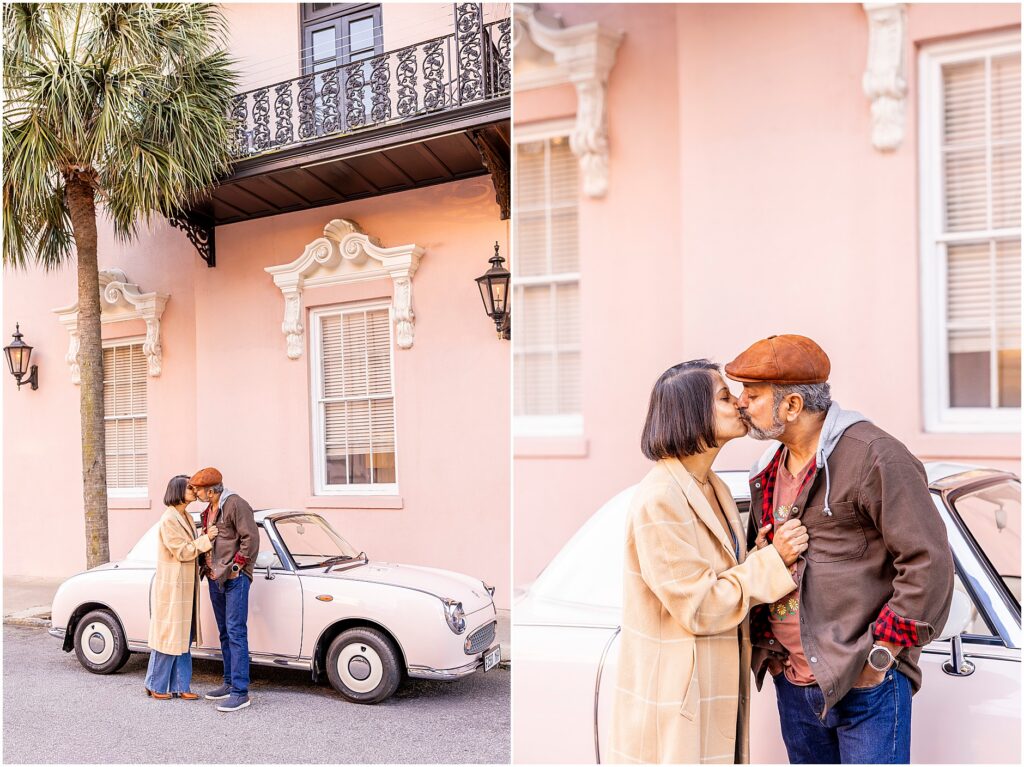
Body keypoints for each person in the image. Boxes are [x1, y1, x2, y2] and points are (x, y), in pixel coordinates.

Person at [726, 334, 955, 764]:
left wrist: (880, 656)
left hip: (865, 686)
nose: (741, 403)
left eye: (752, 395)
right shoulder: (767, 469)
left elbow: (928, 561)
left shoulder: (875, 456)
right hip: (793, 684)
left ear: (792, 405)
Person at [610, 360, 809, 764]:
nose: (739, 403)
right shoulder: (660, 498)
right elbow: (700, 605)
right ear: (691, 413)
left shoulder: (712, 487)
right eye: (723, 396)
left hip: (713, 691)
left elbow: (722, 576)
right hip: (678, 703)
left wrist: (758, 555)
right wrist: (772, 561)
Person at [189, 467, 260, 713]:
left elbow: (251, 538)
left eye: (198, 489)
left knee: (235, 632)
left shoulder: (235, 504)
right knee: (225, 632)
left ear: (210, 491)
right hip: (214, 578)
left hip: (234, 579)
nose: (195, 493)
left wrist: (237, 567)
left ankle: (240, 692)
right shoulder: (209, 510)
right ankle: (229, 683)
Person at [145, 475, 218, 700]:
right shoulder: (169, 519)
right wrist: (206, 539)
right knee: (168, 635)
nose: (194, 490)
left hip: (186, 585)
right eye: (189, 487)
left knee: (184, 635)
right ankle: (155, 684)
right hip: (173, 587)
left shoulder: (185, 516)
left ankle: (181, 685)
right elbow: (181, 551)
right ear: (177, 491)